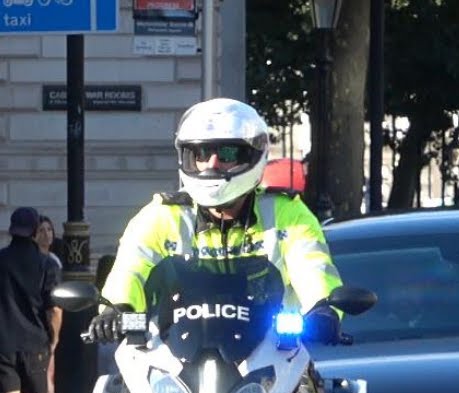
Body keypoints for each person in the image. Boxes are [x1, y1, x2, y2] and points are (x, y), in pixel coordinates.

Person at [90, 97, 344, 343]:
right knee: (113, 386)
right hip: (172, 351)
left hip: (273, 348)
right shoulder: (162, 215)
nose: (211, 164)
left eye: (227, 153)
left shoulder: (287, 214)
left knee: (309, 386)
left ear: (251, 156)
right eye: (201, 153)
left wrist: (323, 309)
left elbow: (313, 266)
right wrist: (117, 308)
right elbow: (131, 269)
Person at [0, 207, 61, 393]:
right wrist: (53, 340)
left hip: (4, 342)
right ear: (36, 230)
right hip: (34, 343)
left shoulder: (0, 261)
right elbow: (54, 309)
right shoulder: (46, 264)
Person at [33, 216, 58, 393]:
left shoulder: (54, 261)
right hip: (41, 327)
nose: (46, 234)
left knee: (46, 375)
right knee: (43, 375)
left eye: (49, 229)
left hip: (51, 325)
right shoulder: (39, 262)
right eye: (42, 230)